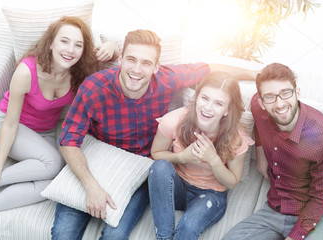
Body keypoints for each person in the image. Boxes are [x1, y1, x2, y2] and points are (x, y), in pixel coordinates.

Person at [51, 29, 259, 240]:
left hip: (139, 170)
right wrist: (91, 186)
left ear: (156, 67)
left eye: (146, 63)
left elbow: (209, 70)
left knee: (116, 236)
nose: (137, 70)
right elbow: (69, 141)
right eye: (131, 59)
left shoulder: (166, 80)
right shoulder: (93, 88)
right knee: (62, 234)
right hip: (96, 161)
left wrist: (257, 76)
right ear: (121, 59)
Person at [0, 16, 119, 240]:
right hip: (8, 124)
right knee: (53, 162)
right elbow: (11, 124)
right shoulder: (27, 71)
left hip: (44, 132)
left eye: (78, 45)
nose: (70, 49)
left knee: (51, 182)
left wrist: (113, 48)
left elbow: (112, 60)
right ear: (51, 43)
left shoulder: (78, 69)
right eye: (64, 41)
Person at [222, 63, 323, 240]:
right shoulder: (258, 108)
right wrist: (260, 152)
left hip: (314, 216)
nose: (279, 103)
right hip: (275, 209)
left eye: (285, 93)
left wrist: (294, 236)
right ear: (262, 102)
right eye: (269, 97)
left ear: (297, 93)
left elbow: (320, 200)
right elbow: (258, 117)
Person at [148, 71, 254, 240]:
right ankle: (163, 237)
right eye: (205, 98)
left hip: (210, 194)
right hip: (177, 186)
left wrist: (213, 159)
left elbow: (232, 182)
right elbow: (156, 153)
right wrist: (182, 157)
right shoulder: (174, 121)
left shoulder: (237, 138)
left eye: (218, 103)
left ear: (227, 110)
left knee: (188, 228)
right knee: (159, 166)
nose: (208, 108)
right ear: (196, 98)